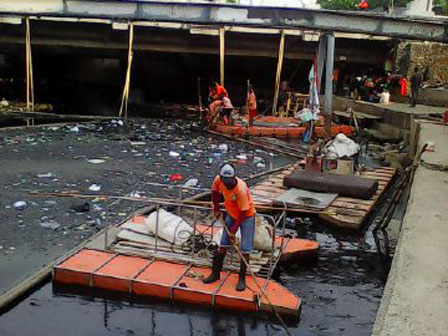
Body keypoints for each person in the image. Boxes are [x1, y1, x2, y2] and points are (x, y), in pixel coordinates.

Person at [203, 163, 256, 292]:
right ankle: (215, 273)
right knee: (223, 245)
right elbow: (215, 192)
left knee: (245, 249)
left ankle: (241, 279)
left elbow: (243, 211)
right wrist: (216, 208)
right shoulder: (218, 180)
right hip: (231, 214)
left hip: (246, 216)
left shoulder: (240, 189)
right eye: (224, 181)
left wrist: (233, 229)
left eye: (228, 181)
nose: (226, 184)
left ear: (233, 178)